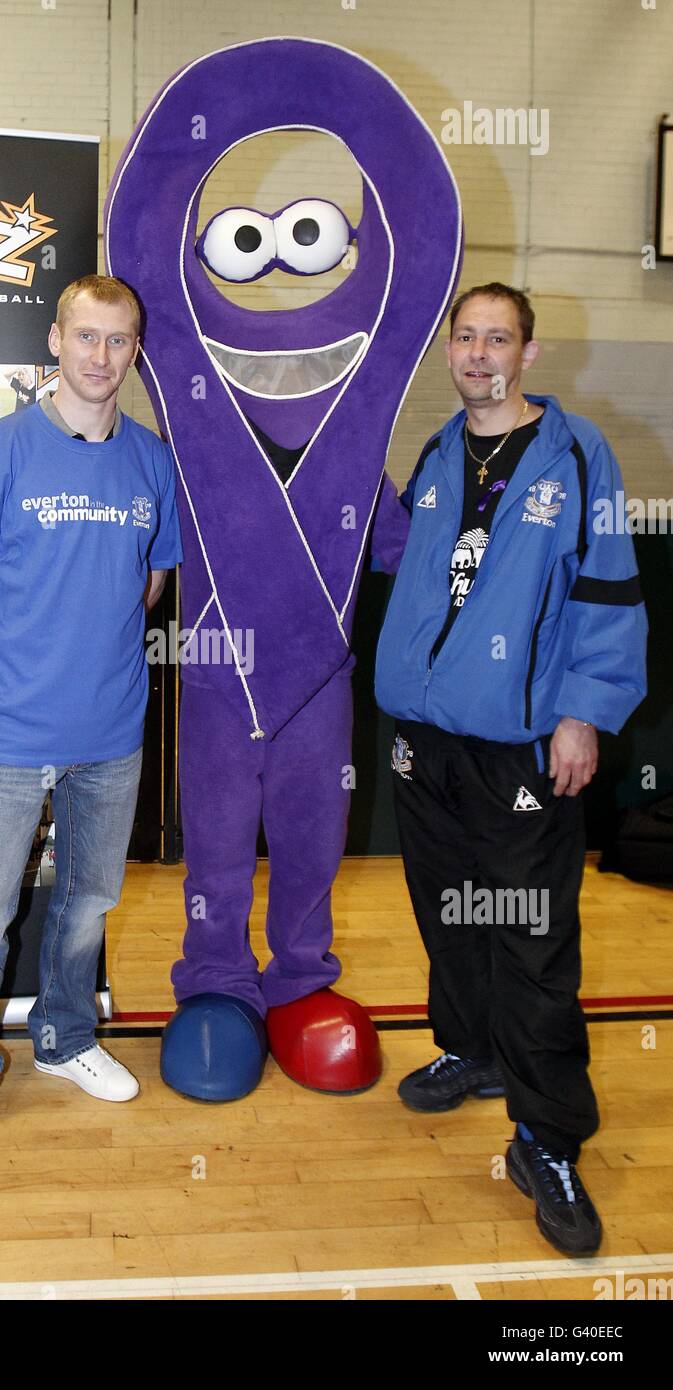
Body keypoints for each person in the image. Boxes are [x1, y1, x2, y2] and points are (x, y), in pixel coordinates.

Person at [375, 282, 648, 1255]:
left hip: (522, 745)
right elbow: (402, 564)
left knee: (531, 940)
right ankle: (471, 1049)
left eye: (500, 338)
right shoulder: (441, 451)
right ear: (450, 350)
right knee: (450, 915)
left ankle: (547, 1137)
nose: (480, 353)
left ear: (528, 355)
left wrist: (584, 714)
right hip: (426, 739)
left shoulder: (576, 457)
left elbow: (610, 592)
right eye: (467, 336)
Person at [0, 273, 182, 1167]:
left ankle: (68, 1038)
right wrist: (0, 658)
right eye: (86, 337)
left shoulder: (151, 460)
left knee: (85, 906)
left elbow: (148, 586)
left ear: (134, 353)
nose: (101, 357)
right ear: (55, 341)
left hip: (111, 734)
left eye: (119, 341)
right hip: (10, 735)